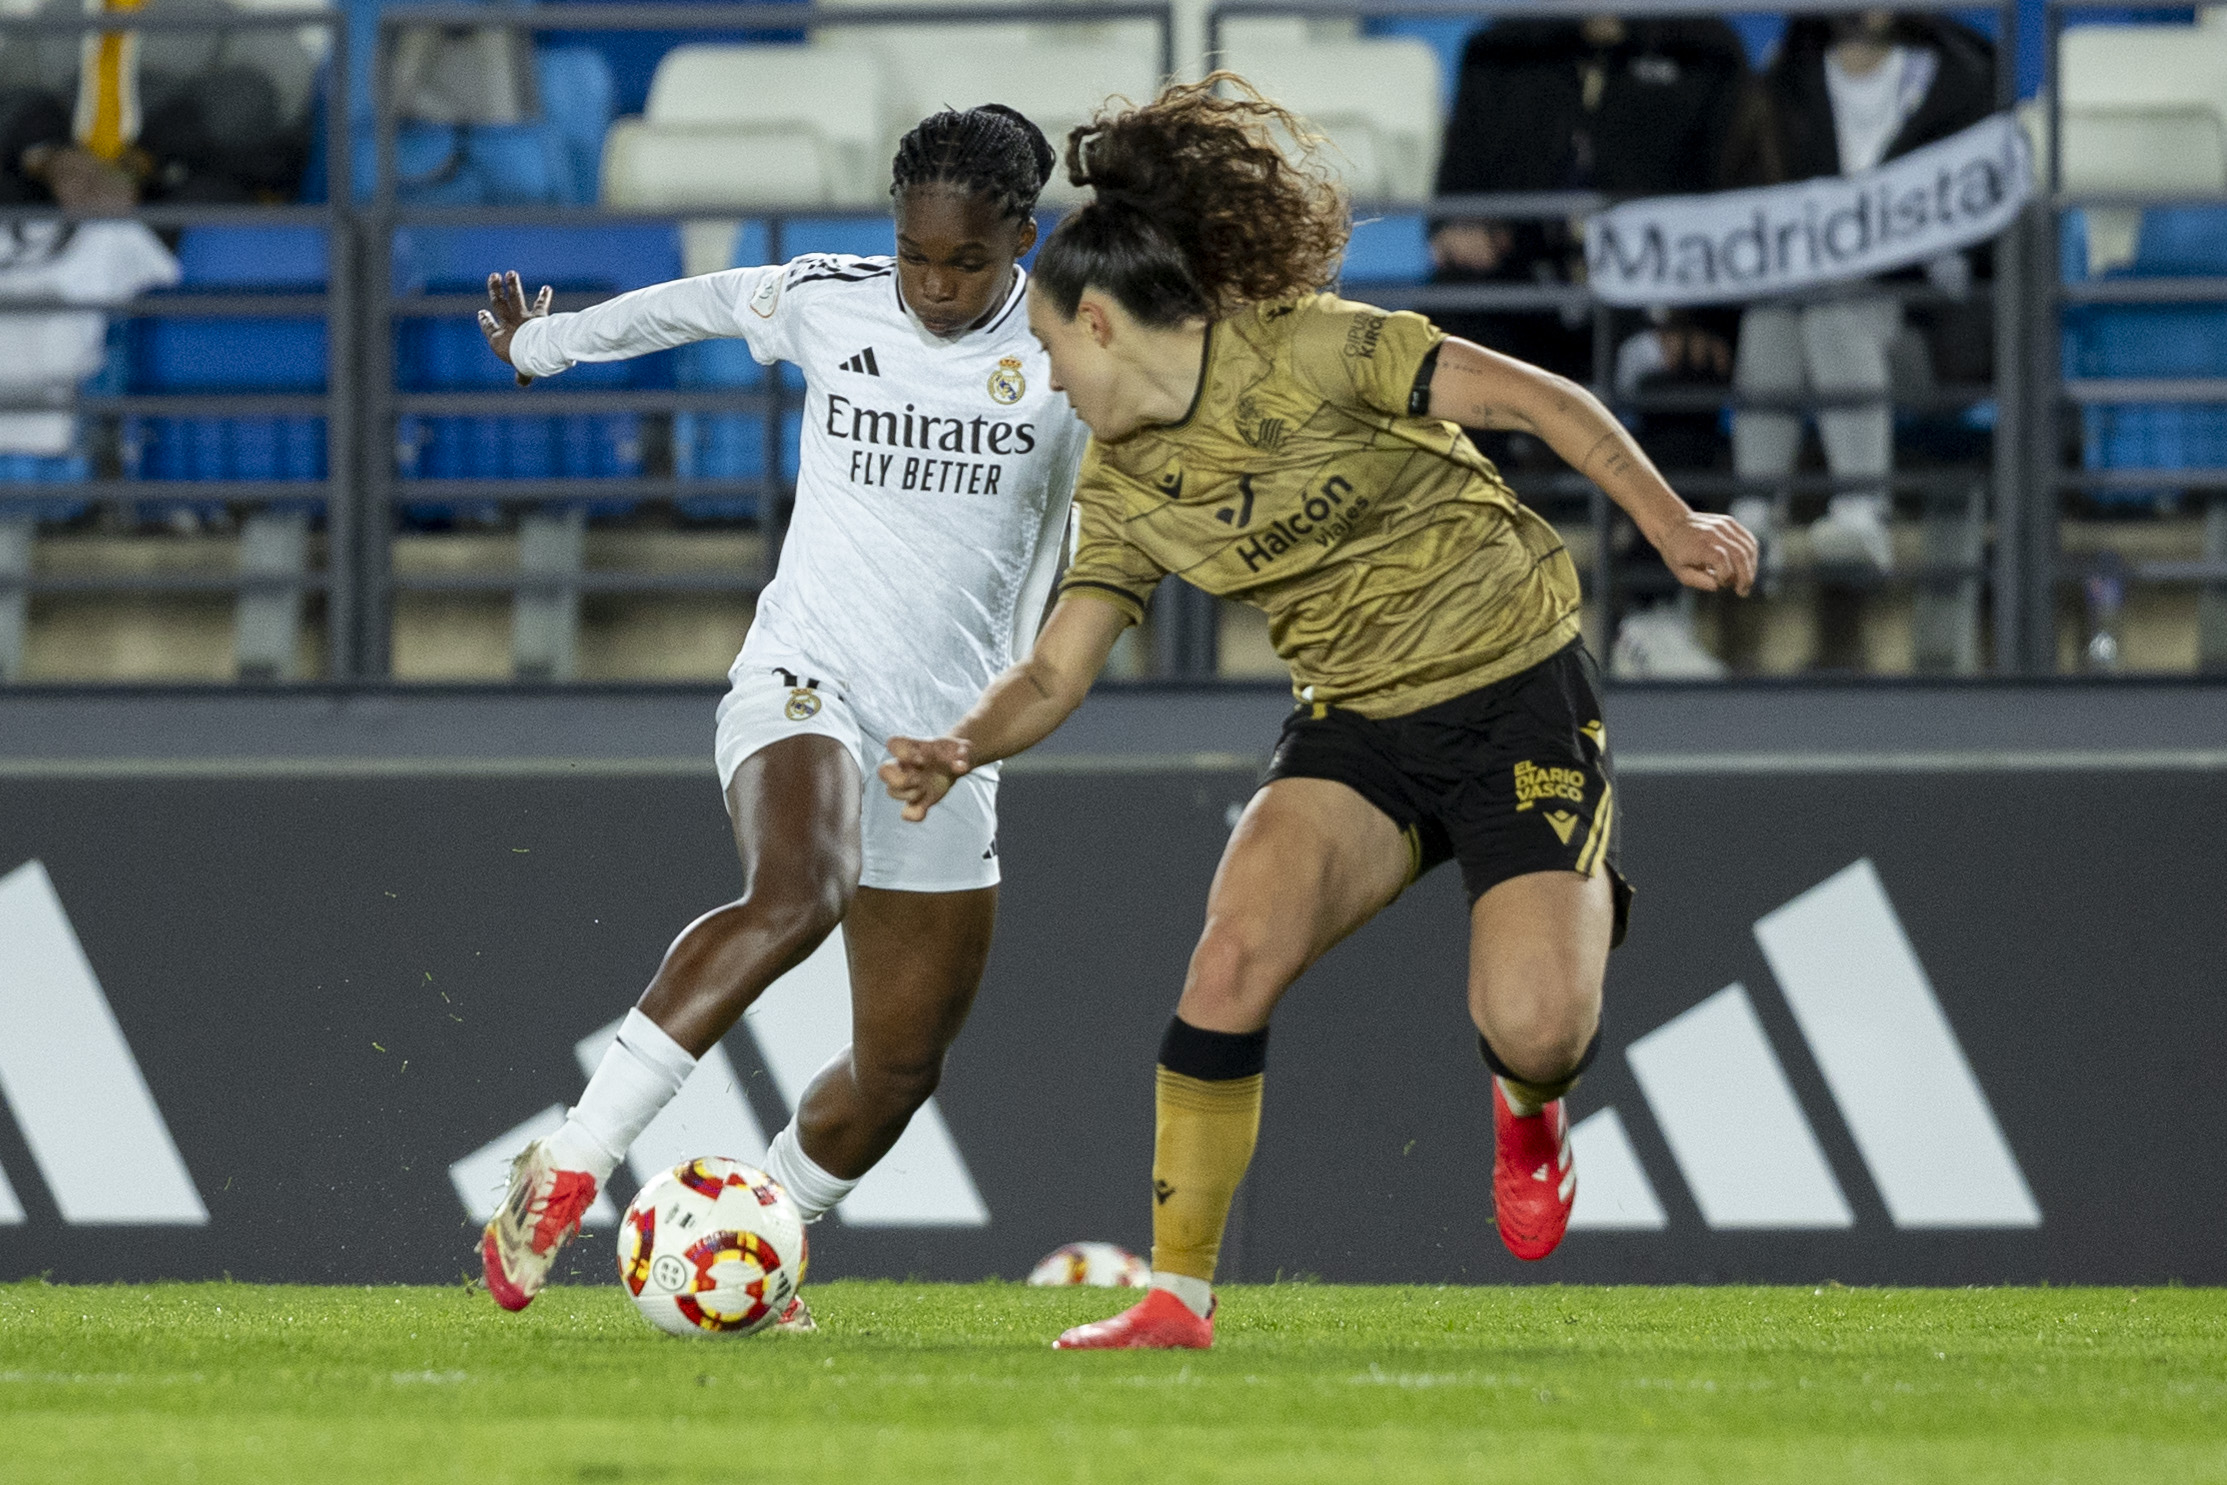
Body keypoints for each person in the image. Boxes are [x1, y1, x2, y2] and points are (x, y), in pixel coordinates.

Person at [880, 77, 1756, 1350]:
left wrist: (1671, 524)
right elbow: (1057, 671)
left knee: (1535, 1028)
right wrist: (964, 741)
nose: (1049, 383)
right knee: (1227, 962)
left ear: (1105, 323)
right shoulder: (1122, 487)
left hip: (1516, 695)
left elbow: (1544, 402)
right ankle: (1176, 1297)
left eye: (1053, 351)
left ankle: (1532, 1106)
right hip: (1357, 728)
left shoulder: (1315, 347)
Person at [471, 104, 1087, 1323]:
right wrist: (547, 347)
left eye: (967, 260)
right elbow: (690, 302)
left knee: (901, 1067)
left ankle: (766, 1231)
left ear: (1024, 234)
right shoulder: (831, 296)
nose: (936, 284)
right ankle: (571, 1168)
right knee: (801, 887)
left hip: (952, 739)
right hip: (804, 676)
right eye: (917, 253)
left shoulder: (1080, 352)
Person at [1430, 12, 1749, 677]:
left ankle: (1652, 618)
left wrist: (1701, 318)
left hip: (1651, 311)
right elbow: (1450, 202)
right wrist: (1460, 231)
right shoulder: (1497, 50)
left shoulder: (1706, 52)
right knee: (1444, 356)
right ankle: (1471, 603)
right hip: (1524, 301)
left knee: (1690, 371)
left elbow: (1736, 212)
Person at [1726, 10, 1995, 578]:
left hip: (1927, 338)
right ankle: (1753, 521)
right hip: (1804, 320)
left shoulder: (1964, 82)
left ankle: (1863, 510)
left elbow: (1987, 239)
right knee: (1769, 315)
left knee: (1836, 308)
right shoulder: (1782, 85)